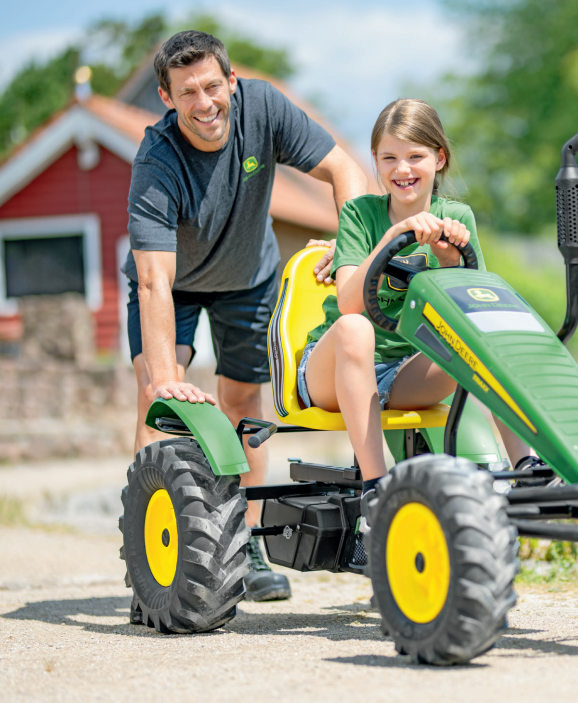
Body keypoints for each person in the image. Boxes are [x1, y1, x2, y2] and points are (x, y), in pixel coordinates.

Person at [123, 30, 367, 605]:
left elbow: (346, 170)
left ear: (231, 81)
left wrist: (351, 247)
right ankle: (150, 556)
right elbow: (155, 281)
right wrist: (167, 379)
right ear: (166, 98)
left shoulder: (264, 110)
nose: (204, 102)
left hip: (248, 280)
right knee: (157, 402)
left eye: (212, 86)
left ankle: (249, 545)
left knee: (241, 405)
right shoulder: (157, 161)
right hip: (174, 288)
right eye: (187, 92)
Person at [298, 98, 533, 567]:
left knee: (482, 333)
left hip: (406, 372)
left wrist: (450, 261)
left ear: (439, 158)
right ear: (375, 161)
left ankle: (525, 471)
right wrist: (393, 235)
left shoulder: (458, 217)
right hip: (335, 370)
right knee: (354, 329)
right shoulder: (361, 215)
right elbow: (349, 303)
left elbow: (470, 310)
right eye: (389, 157)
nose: (402, 169)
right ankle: (376, 493)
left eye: (415, 156)